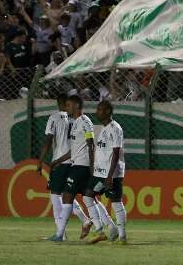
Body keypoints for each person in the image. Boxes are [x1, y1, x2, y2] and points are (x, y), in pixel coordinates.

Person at [37, 94, 91, 241]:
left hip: (60, 161)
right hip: (73, 161)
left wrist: (40, 161)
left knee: (55, 196)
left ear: (58, 103)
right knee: (68, 194)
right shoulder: (75, 119)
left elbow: (47, 142)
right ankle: (84, 219)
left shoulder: (54, 118)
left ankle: (61, 234)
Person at [82, 100, 128, 244]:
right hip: (100, 173)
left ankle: (122, 235)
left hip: (111, 173)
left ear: (108, 111)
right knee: (88, 195)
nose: (97, 112)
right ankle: (105, 229)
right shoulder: (104, 129)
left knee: (115, 201)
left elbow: (115, 153)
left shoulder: (115, 128)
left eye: (100, 110)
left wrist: (110, 176)